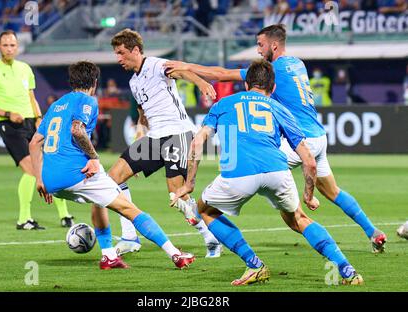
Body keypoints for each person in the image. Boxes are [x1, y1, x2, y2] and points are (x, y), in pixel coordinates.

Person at [164, 24, 387, 253]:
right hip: (318, 137)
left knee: (264, 177)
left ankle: (317, 242)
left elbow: (222, 74)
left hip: (300, 140)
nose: (258, 51)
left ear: (273, 44)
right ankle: (373, 232)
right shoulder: (297, 64)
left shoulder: (274, 70)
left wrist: (185, 66)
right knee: (332, 191)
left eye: (260, 45)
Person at [171, 60, 364, 286]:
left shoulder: (223, 104)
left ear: (245, 84)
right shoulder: (280, 109)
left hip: (237, 175)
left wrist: (189, 184)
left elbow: (196, 143)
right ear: (272, 89)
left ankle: (254, 265)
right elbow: (309, 161)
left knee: (205, 210)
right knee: (299, 219)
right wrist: (309, 195)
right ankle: (347, 270)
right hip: (277, 171)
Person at [29, 61, 195, 270]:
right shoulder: (87, 100)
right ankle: (176, 255)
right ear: (95, 82)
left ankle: (108, 255)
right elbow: (77, 130)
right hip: (77, 174)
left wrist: (39, 179)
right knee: (130, 209)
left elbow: (35, 142)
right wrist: (94, 157)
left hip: (51, 181)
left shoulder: (56, 105)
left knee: (99, 201)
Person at [108, 28, 223, 258]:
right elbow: (143, 115)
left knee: (176, 195)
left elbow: (182, 70)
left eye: (121, 53)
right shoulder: (133, 82)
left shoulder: (156, 65)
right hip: (153, 137)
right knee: (112, 180)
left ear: (135, 50)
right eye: (116, 54)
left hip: (177, 134)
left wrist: (201, 83)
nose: (118, 58)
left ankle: (210, 236)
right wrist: (139, 143)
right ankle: (130, 237)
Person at [0, 30, 73, 230]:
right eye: (5, 45)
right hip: (10, 126)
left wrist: (40, 118)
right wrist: (8, 113)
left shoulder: (25, 69)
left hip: (31, 122)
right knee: (32, 171)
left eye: (12, 45)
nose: (9, 48)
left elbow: (32, 98)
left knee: (47, 168)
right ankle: (23, 219)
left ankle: (65, 216)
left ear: (17, 46)